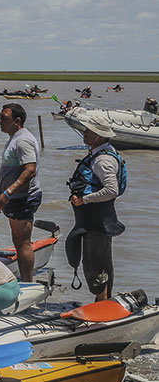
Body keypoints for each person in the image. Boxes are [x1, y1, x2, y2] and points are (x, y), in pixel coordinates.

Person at [67, 115, 127, 301]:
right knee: (101, 264)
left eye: (88, 131)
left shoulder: (103, 161)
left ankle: (101, 309)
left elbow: (111, 190)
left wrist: (84, 200)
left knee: (95, 267)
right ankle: (105, 303)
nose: (84, 134)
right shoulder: (104, 152)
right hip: (100, 219)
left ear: (98, 136)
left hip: (97, 221)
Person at [0, 103, 42, 282]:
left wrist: (6, 193)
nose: (0, 121)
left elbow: (30, 170)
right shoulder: (15, 137)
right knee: (17, 240)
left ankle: (28, 284)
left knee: (23, 243)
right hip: (15, 199)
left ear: (17, 121)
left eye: (4, 118)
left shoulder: (23, 141)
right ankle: (24, 278)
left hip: (23, 198)